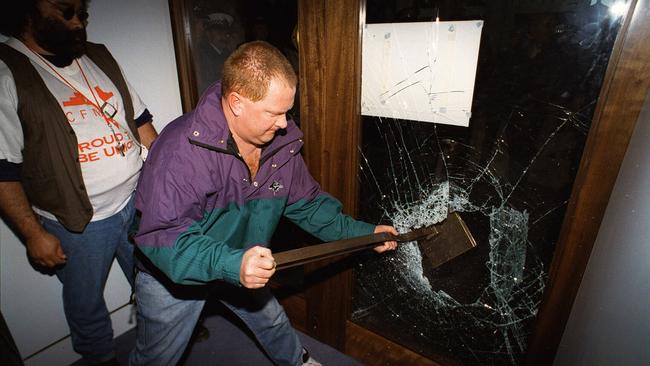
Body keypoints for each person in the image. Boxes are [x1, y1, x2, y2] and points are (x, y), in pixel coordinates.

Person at [130, 40, 398, 366]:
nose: (285, 123)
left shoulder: (279, 145)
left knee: (270, 318)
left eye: (287, 111)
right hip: (173, 274)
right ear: (237, 103)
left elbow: (310, 205)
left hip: (243, 261)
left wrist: (367, 233)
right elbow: (163, 236)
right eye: (274, 112)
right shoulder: (178, 152)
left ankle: (297, 362)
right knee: (156, 357)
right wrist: (232, 265)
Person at [0, 1, 157, 365]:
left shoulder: (99, 56)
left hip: (137, 199)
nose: (77, 23)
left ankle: (162, 336)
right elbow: (3, 170)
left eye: (81, 14)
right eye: (64, 12)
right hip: (77, 221)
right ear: (29, 12)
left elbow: (142, 122)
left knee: (153, 277)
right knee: (86, 304)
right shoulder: (8, 69)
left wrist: (169, 182)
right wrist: (33, 234)